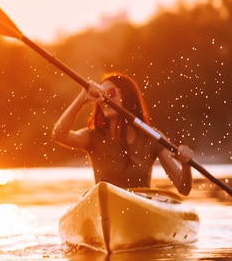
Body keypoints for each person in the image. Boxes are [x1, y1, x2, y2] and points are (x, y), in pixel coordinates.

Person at [52, 72, 194, 195]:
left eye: (111, 93)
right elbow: (59, 135)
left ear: (126, 95)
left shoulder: (151, 137)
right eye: (101, 95)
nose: (106, 99)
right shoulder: (94, 137)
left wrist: (186, 165)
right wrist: (82, 98)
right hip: (108, 208)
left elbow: (183, 188)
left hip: (140, 209)